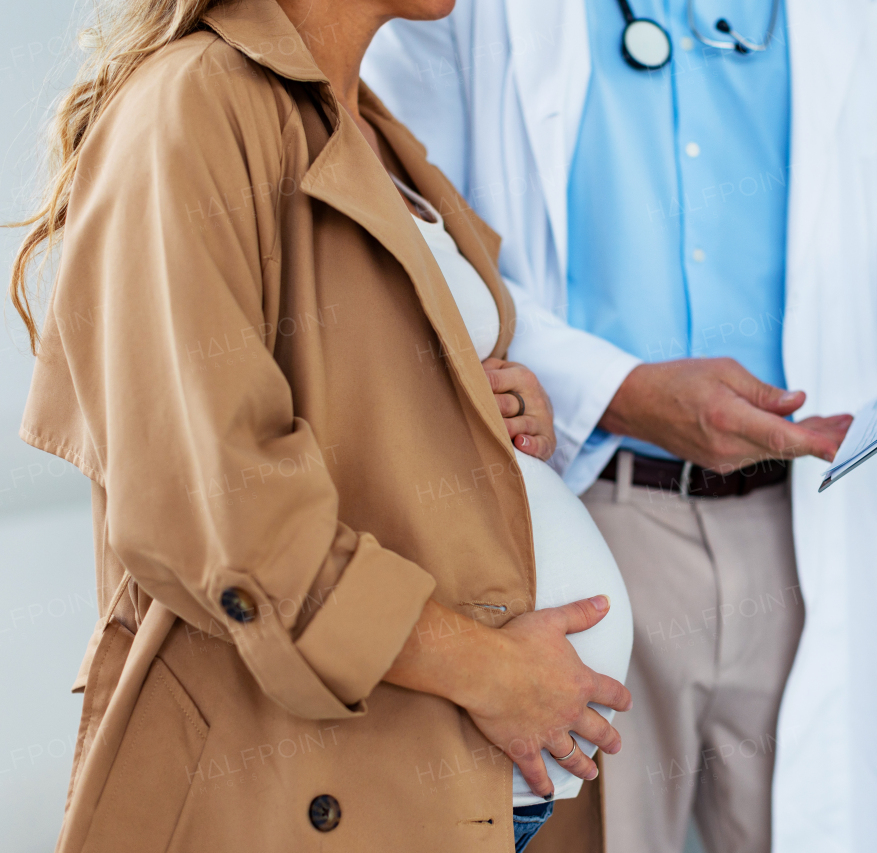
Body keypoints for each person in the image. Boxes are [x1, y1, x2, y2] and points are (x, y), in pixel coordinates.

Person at [362, 3, 877, 851]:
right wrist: (622, 390)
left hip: (805, 524)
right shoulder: (460, 9)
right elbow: (423, 237)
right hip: (584, 514)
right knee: (593, 831)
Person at [9, 0, 632, 851]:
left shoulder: (360, 117)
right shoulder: (192, 105)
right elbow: (219, 509)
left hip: (457, 782)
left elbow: (347, 386)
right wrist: (492, 672)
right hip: (327, 788)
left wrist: (476, 403)